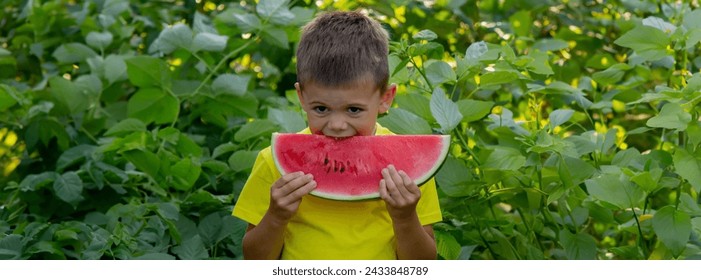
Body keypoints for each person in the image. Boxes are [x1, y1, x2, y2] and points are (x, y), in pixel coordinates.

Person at [232, 11, 442, 260]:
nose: (337, 125)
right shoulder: (272, 162)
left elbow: (422, 265)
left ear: (385, 98)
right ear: (302, 97)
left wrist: (405, 217)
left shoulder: (409, 167)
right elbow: (254, 261)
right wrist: (276, 216)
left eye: (353, 110)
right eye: (321, 109)